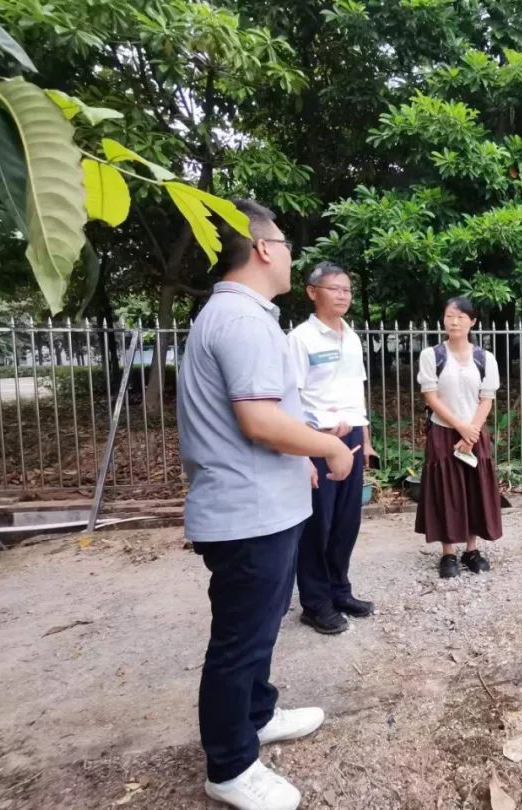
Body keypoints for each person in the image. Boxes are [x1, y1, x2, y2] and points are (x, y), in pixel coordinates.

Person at [177, 200, 358, 810]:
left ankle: (258, 714)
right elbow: (257, 420)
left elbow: (266, 416)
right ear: (260, 249)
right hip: (247, 514)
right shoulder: (243, 320)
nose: (288, 255)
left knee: (257, 632)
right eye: (283, 244)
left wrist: (299, 453)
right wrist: (328, 449)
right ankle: (230, 766)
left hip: (263, 506)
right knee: (239, 642)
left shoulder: (243, 315)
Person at [288, 262, 377, 635]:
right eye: (334, 289)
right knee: (317, 525)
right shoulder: (300, 339)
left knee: (346, 522)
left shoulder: (351, 337)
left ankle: (340, 591)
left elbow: (357, 391)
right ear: (312, 292)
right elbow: (289, 398)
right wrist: (303, 451)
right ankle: (315, 603)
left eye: (347, 290)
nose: (343, 295)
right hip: (316, 441)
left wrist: (365, 440)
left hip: (351, 440)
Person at [414, 296, 503, 578]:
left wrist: (471, 431)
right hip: (443, 432)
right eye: (449, 316)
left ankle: (471, 549)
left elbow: (486, 398)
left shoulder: (485, 358)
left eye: (461, 317)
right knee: (446, 490)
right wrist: (460, 428)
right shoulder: (432, 356)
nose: (454, 322)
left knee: (475, 488)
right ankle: (448, 552)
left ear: (472, 322)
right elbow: (431, 397)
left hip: (475, 433)